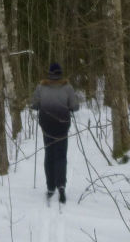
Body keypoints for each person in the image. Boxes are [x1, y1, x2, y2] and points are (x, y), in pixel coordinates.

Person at [31, 61, 79, 203]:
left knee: (49, 154)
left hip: (47, 125)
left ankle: (51, 186)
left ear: (49, 74)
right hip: (62, 126)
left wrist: (41, 104)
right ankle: (61, 186)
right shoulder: (67, 88)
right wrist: (68, 106)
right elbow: (75, 107)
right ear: (61, 73)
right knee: (61, 156)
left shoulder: (41, 87)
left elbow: (34, 104)